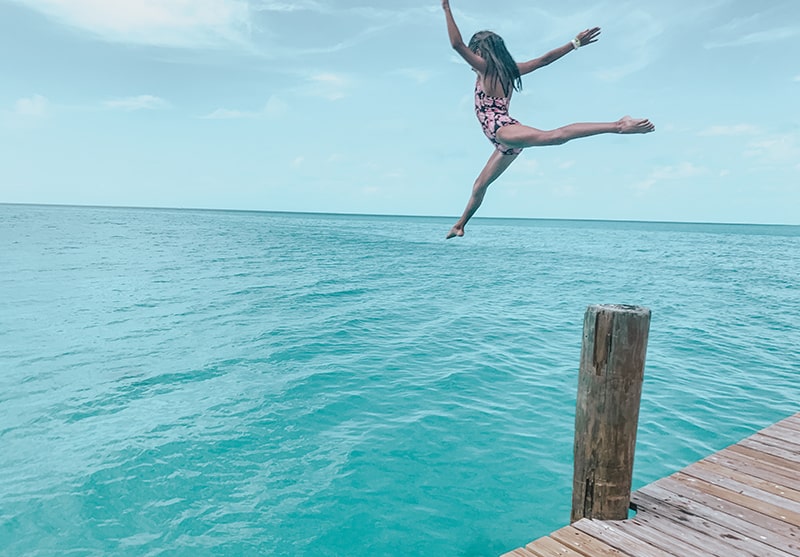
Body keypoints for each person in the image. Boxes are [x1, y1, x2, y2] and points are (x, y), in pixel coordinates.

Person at [442, 0, 655, 239]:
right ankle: (460, 225)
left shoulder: (486, 69)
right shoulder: (511, 70)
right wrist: (574, 43)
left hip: (502, 130)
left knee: (553, 137)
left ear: (480, 52)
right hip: (502, 141)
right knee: (479, 186)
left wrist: (446, 8)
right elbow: (544, 60)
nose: (471, 57)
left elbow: (456, 44)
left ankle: (619, 125)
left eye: (474, 52)